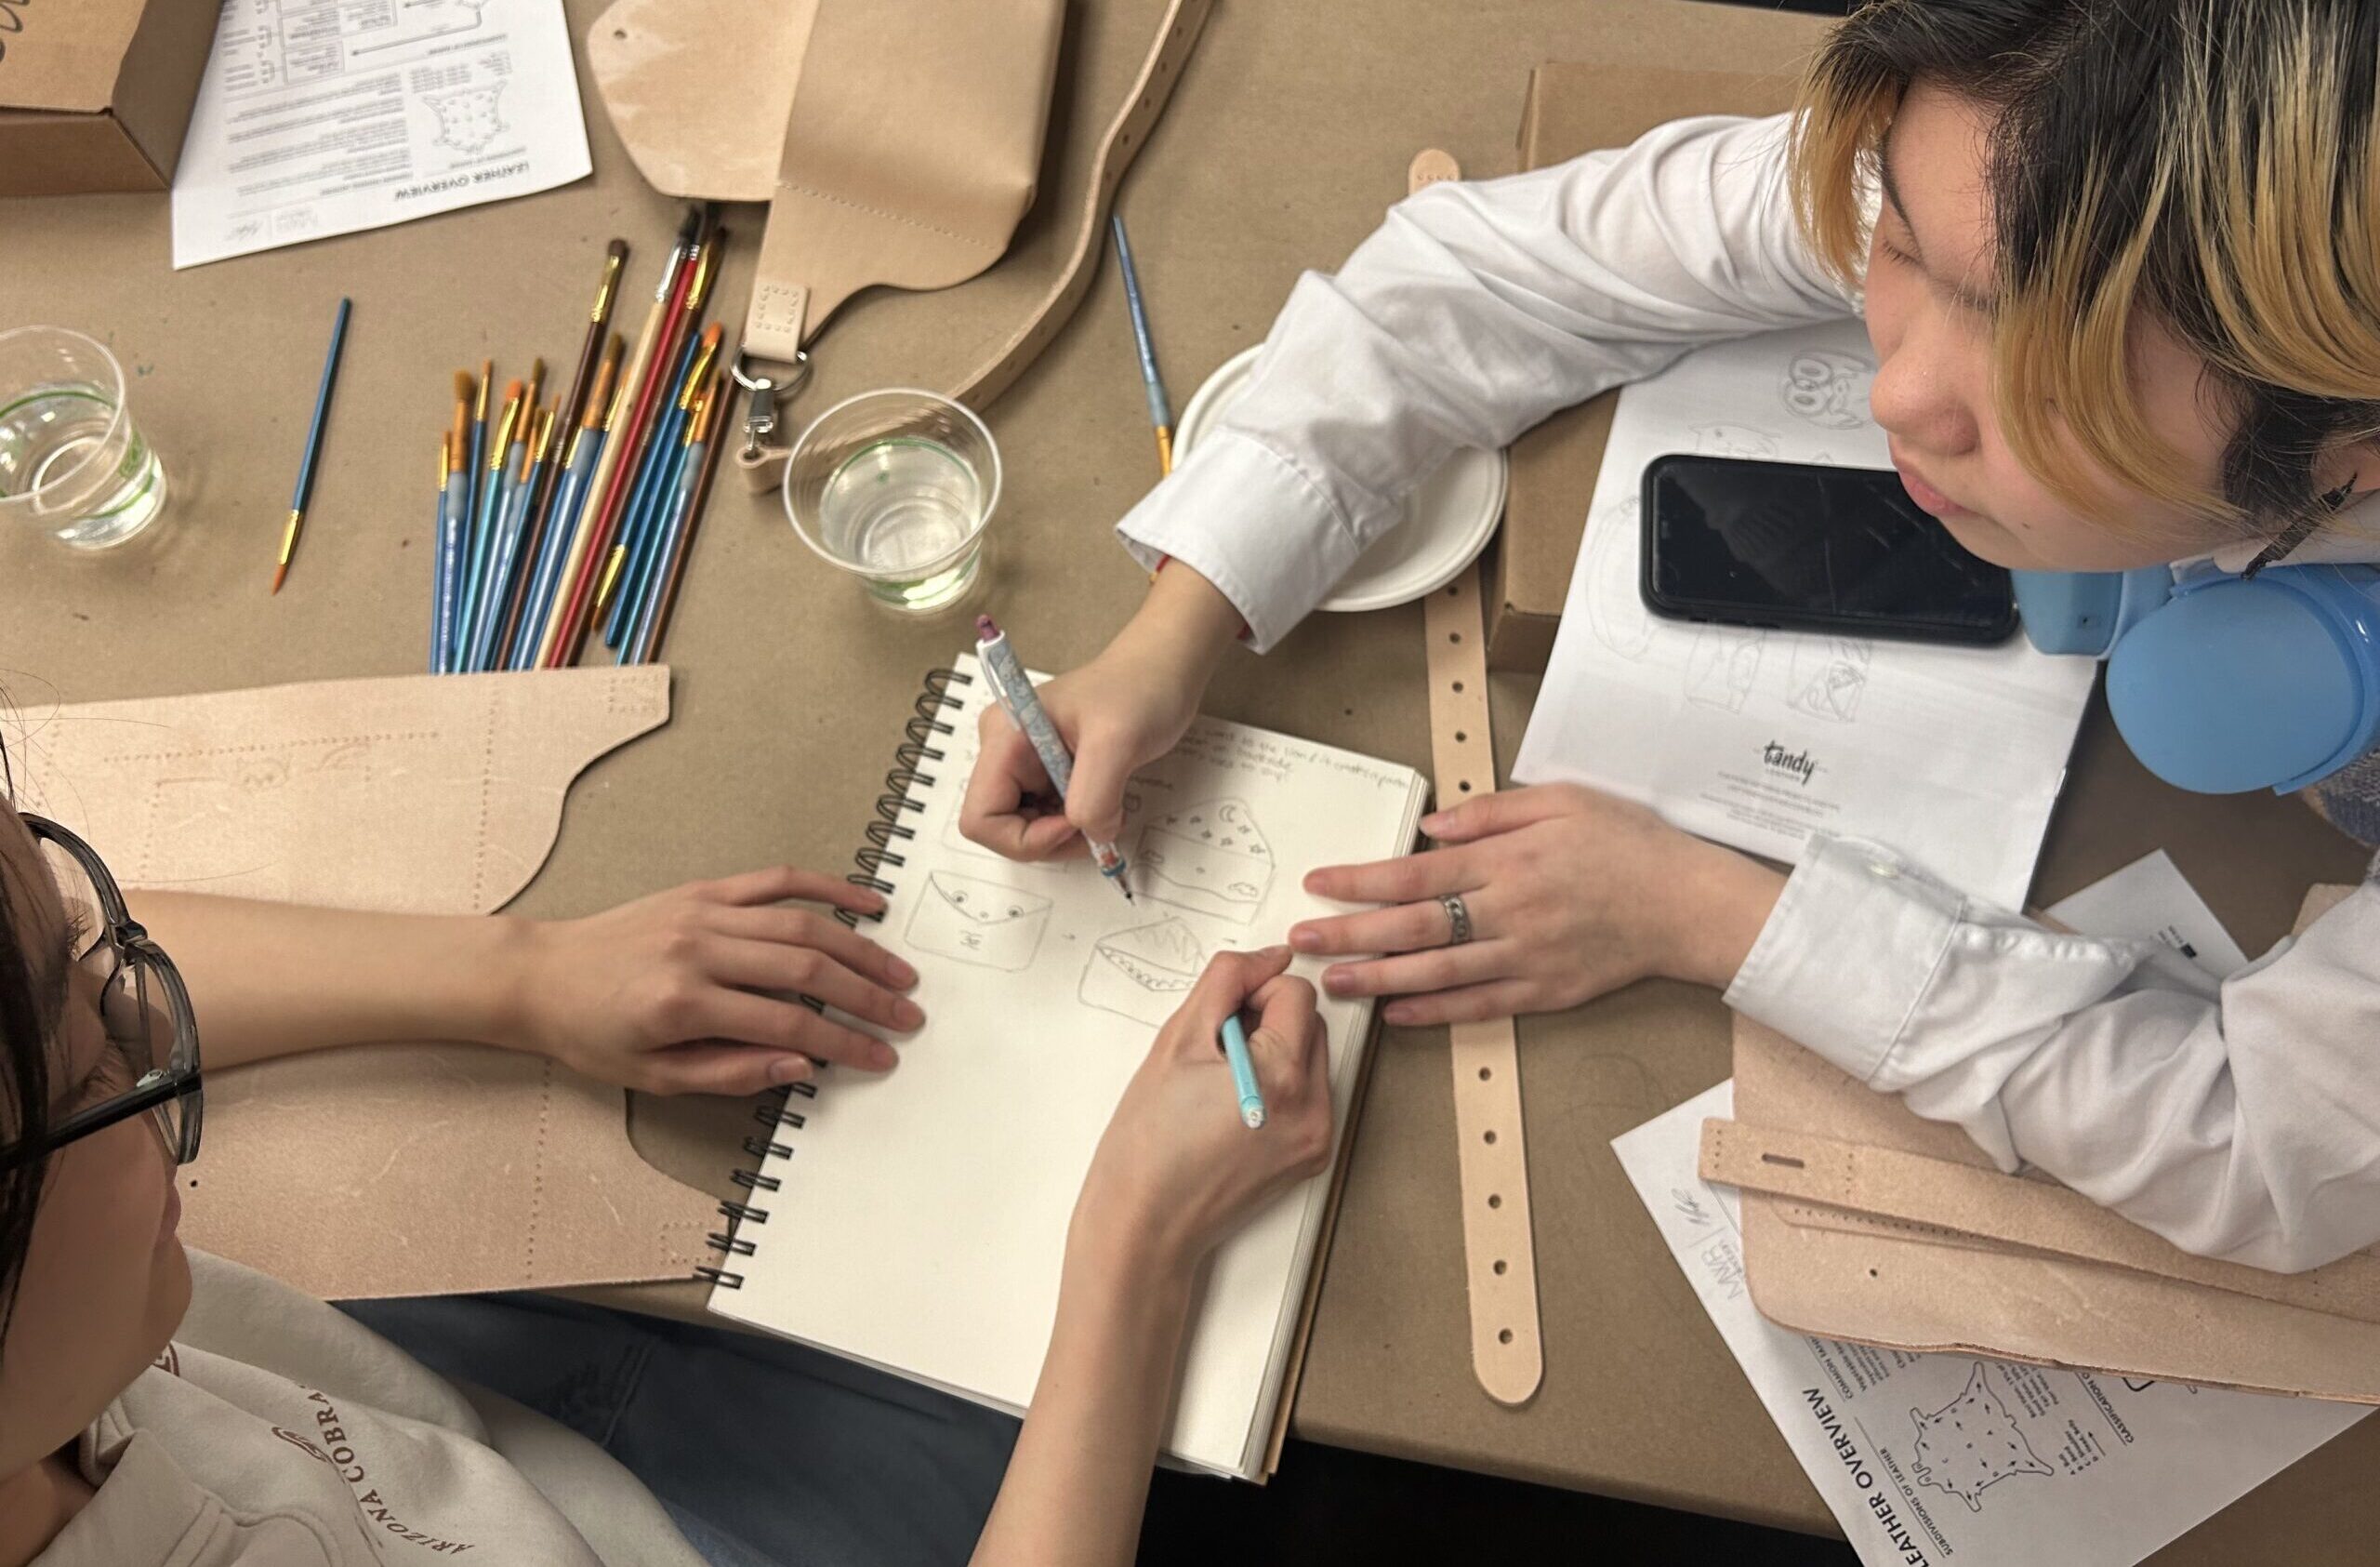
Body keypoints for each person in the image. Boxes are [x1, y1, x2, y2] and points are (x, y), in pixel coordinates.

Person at [962, 0, 2380, 1273]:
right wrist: (1177, 624)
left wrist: (1708, 911)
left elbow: (2264, 1157)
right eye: (1898, 250)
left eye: (2050, 387)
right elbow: (1476, 273)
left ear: (2351, 439)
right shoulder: (2013, 147)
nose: (1902, 398)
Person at [0, 780, 1333, 1566]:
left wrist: (525, 971)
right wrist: (1137, 1257)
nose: (146, 1052)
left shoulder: (55, 1359)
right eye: (87, 1077)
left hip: (497, 1443)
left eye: (100, 1000)